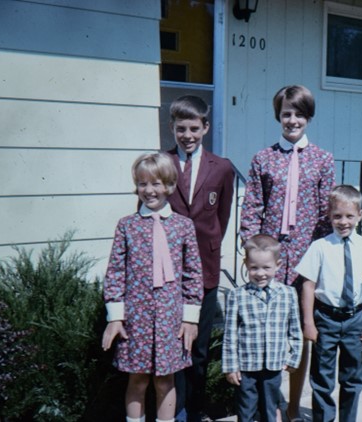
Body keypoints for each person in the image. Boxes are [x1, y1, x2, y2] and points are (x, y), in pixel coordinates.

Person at [240, 84, 335, 421]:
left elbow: (327, 212)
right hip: (270, 258)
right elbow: (252, 206)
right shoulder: (263, 159)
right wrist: (252, 250)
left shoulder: (323, 159)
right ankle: (266, 406)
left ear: (308, 117)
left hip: (305, 259)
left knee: (299, 335)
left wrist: (324, 259)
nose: (292, 120)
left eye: (298, 114)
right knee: (267, 331)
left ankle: (292, 408)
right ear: (278, 116)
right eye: (286, 114)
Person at [102, 152, 203, 422]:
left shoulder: (183, 226)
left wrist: (190, 320)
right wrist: (116, 317)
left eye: (156, 183)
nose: (149, 190)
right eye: (143, 184)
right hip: (137, 318)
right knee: (138, 380)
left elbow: (193, 274)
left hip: (171, 319)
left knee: (165, 381)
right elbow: (115, 272)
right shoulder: (127, 226)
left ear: (169, 186)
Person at [165, 95, 235, 422]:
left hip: (204, 272)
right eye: (181, 129)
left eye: (194, 128)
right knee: (170, 347)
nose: (188, 135)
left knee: (199, 348)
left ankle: (194, 411)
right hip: (167, 271)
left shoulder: (221, 168)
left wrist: (207, 253)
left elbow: (221, 219)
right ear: (172, 128)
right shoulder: (161, 163)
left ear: (205, 127)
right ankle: (173, 411)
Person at [296, 185, 362, 422]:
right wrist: (309, 323)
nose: (343, 222)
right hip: (325, 319)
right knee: (322, 379)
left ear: (359, 215)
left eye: (349, 216)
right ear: (329, 216)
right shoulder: (320, 247)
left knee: (353, 378)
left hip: (355, 320)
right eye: (337, 216)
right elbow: (308, 285)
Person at [222, 234, 303, 422]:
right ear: (246, 264)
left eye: (266, 267)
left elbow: (295, 330)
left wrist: (294, 357)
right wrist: (230, 366)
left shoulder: (288, 293)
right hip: (246, 367)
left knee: (270, 409)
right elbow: (230, 335)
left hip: (274, 364)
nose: (260, 273)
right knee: (246, 410)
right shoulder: (237, 295)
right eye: (254, 268)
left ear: (278, 265)